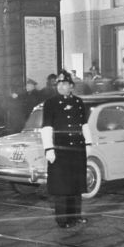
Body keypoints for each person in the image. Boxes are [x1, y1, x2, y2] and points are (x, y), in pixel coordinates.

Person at [40, 69, 93, 229]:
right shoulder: (50, 103)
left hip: (77, 149)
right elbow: (46, 127)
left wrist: (89, 143)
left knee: (76, 185)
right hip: (60, 150)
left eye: (65, 83)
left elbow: (84, 125)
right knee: (62, 187)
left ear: (71, 86)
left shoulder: (78, 102)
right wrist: (49, 148)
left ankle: (76, 216)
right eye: (59, 84)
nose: (61, 86)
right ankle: (63, 220)